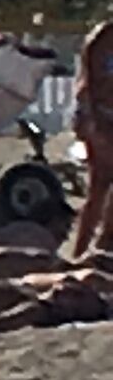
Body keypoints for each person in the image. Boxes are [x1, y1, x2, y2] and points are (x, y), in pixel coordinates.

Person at [77, 21, 113, 259]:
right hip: (102, 118)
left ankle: (103, 244)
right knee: (99, 187)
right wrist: (93, 123)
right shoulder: (102, 40)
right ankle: (83, 250)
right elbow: (88, 85)